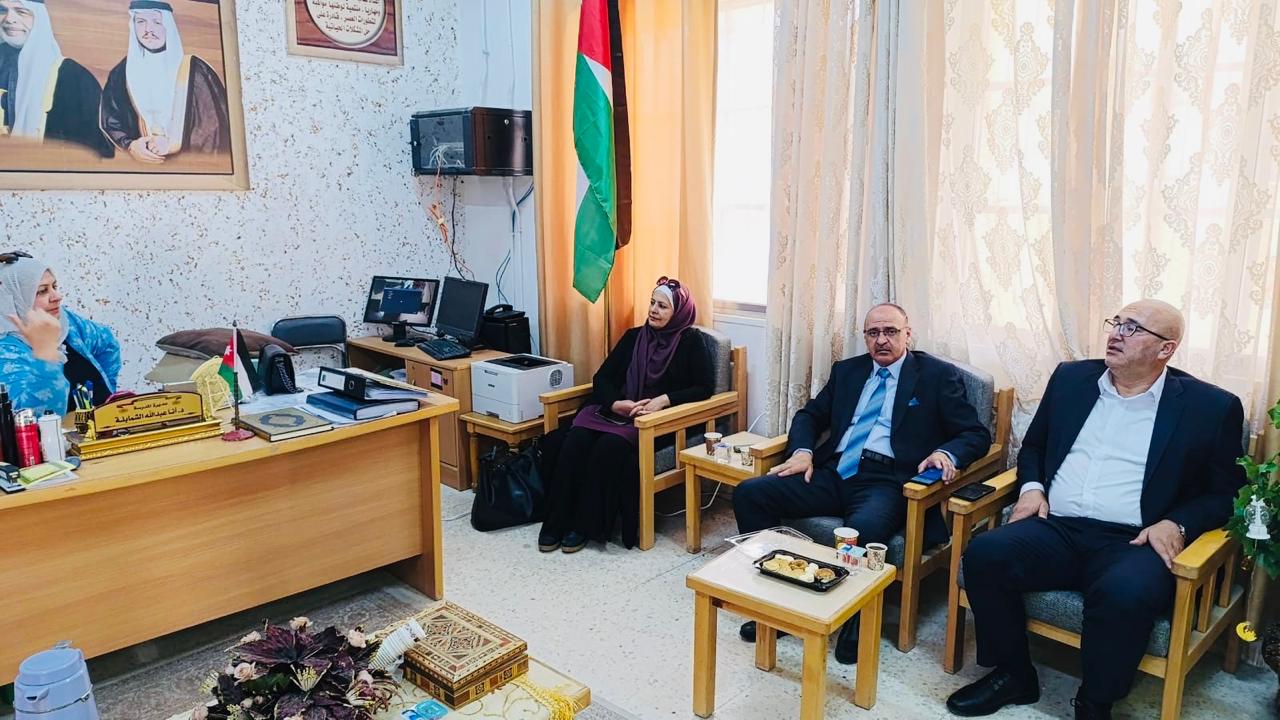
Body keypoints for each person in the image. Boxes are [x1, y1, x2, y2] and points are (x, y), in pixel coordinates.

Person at [945, 300, 1246, 720]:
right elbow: (1034, 447)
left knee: (1126, 591)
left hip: (1133, 539)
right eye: (1116, 322)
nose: (1116, 333)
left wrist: (1177, 522)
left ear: (1166, 349)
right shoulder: (1072, 378)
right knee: (985, 554)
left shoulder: (1210, 406)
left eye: (1133, 328)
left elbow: (1227, 492)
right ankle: (1014, 675)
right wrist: (1032, 488)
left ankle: (1094, 703)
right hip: (1057, 525)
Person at [733, 303, 991, 664]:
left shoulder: (936, 376)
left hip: (887, 481)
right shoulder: (848, 371)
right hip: (832, 471)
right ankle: (779, 600)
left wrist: (945, 454)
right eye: (873, 333)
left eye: (891, 332)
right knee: (750, 494)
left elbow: (975, 433)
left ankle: (855, 618)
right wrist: (803, 451)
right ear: (865, 336)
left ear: (908, 334)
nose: (881, 340)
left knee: (861, 531)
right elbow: (810, 415)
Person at [538, 277, 713, 552]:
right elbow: (602, 378)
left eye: (662, 306)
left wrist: (663, 401)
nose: (653, 310)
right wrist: (616, 403)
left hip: (652, 422)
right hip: (616, 412)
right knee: (575, 440)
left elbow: (704, 387)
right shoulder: (634, 337)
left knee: (608, 447)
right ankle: (555, 522)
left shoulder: (691, 342)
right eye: (652, 303)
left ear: (679, 312)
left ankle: (583, 527)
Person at [100, 0, 231, 162]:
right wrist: (131, 145)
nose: (148, 30)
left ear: (168, 25)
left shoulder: (194, 70)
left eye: (157, 22)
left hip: (188, 165)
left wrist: (172, 144)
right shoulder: (122, 72)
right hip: (143, 167)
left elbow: (213, 130)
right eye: (140, 22)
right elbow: (112, 118)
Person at [0, 251, 120, 417]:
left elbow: (107, 343)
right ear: (15, 300)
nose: (57, 297)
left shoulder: (64, 321)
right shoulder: (6, 353)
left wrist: (107, 394)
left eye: (54, 287)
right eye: (42, 291)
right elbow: (33, 418)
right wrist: (47, 356)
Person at [0, 0, 114, 156]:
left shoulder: (74, 78)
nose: (9, 19)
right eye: (2, 10)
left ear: (39, 18)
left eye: (21, 12)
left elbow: (94, 152)